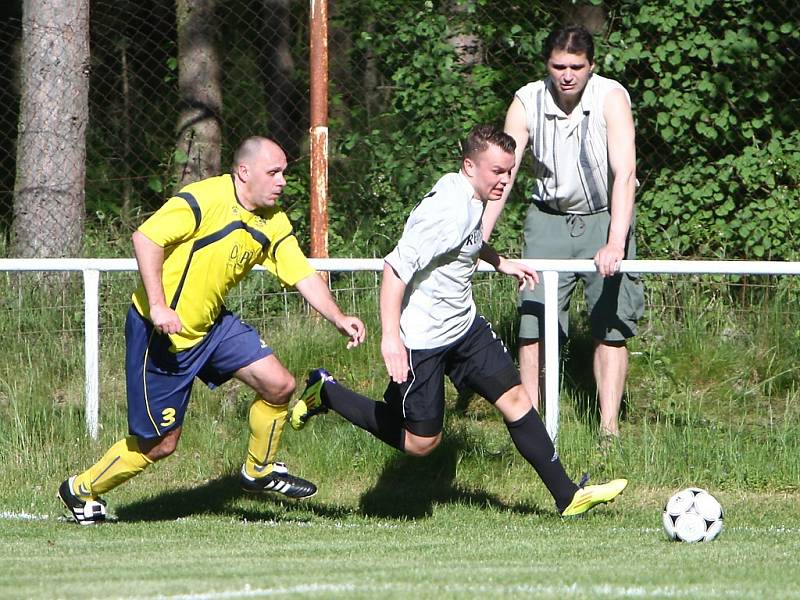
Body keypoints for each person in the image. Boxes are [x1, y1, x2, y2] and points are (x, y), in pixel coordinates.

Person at [289, 124, 627, 516]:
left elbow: (468, 240)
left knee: (516, 399)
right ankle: (326, 392)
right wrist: (391, 339)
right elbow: (394, 269)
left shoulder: (471, 196)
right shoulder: (445, 210)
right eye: (496, 171)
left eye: (510, 171)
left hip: (464, 327)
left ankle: (568, 496)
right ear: (470, 166)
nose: (504, 180)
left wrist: (501, 262)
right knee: (421, 443)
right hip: (423, 339)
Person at [58, 136, 366, 524]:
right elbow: (146, 238)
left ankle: (259, 470)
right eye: (274, 172)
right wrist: (158, 305)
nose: (282, 181)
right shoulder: (203, 200)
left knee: (280, 385)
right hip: (162, 337)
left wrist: (338, 317)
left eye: (284, 173)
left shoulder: (273, 223)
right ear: (243, 172)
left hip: (212, 326)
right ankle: (81, 489)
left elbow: (302, 274)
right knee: (161, 444)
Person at [482, 25, 644, 440]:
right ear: (547, 65)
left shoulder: (611, 97)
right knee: (534, 325)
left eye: (576, 66)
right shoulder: (526, 101)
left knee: (611, 325)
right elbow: (506, 171)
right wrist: (479, 235)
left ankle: (609, 430)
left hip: (605, 217)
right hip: (547, 218)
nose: (567, 75)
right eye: (558, 66)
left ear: (591, 66)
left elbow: (625, 173)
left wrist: (615, 242)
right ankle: (532, 429)